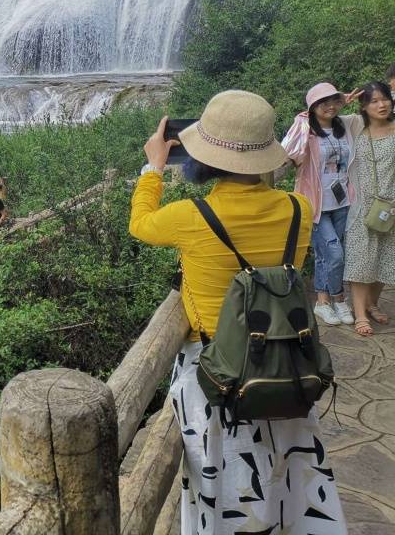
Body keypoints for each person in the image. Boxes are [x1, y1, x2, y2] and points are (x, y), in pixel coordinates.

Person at [129, 92, 345, 534]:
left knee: (225, 483)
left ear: (202, 155)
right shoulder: (296, 210)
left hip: (218, 370)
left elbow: (140, 224)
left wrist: (154, 166)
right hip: (284, 363)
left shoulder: (190, 216)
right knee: (285, 473)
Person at [281, 83, 362, 326]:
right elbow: (288, 150)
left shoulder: (344, 125)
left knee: (327, 255)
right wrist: (307, 114)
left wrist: (342, 104)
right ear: (312, 107)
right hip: (315, 203)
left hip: (342, 200)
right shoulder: (306, 129)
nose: (330, 106)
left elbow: (364, 119)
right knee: (335, 254)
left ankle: (324, 302)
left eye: (334, 100)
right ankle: (337, 298)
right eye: (323, 102)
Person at [343, 81, 395, 336]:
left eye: (384, 98)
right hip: (362, 204)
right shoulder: (354, 125)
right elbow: (310, 120)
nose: (381, 104)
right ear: (363, 106)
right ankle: (360, 314)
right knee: (360, 259)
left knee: (386, 259)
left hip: (392, 205)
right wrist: (341, 101)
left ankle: (372, 304)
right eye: (373, 101)